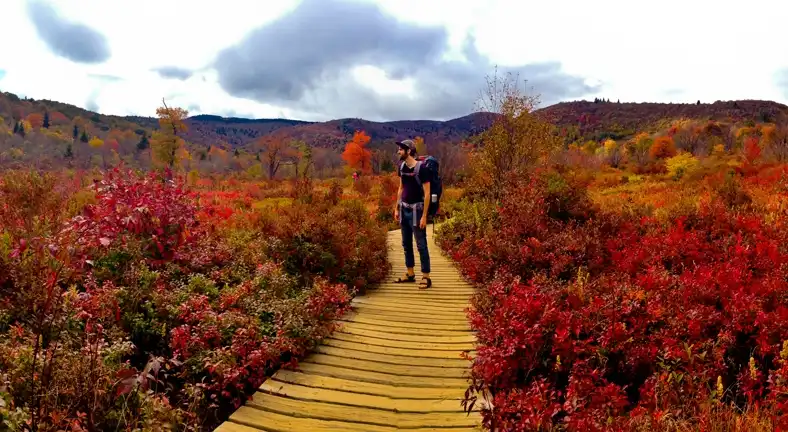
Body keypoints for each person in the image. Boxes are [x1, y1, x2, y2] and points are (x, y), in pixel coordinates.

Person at [393, 139, 431, 289]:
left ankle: (426, 277)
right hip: (404, 209)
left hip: (417, 210)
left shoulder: (422, 168)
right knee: (406, 243)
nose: (398, 152)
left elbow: (427, 193)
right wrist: (396, 208)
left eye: (401, 149)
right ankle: (410, 273)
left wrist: (424, 216)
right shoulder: (402, 167)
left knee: (421, 244)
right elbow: (400, 189)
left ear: (409, 151)